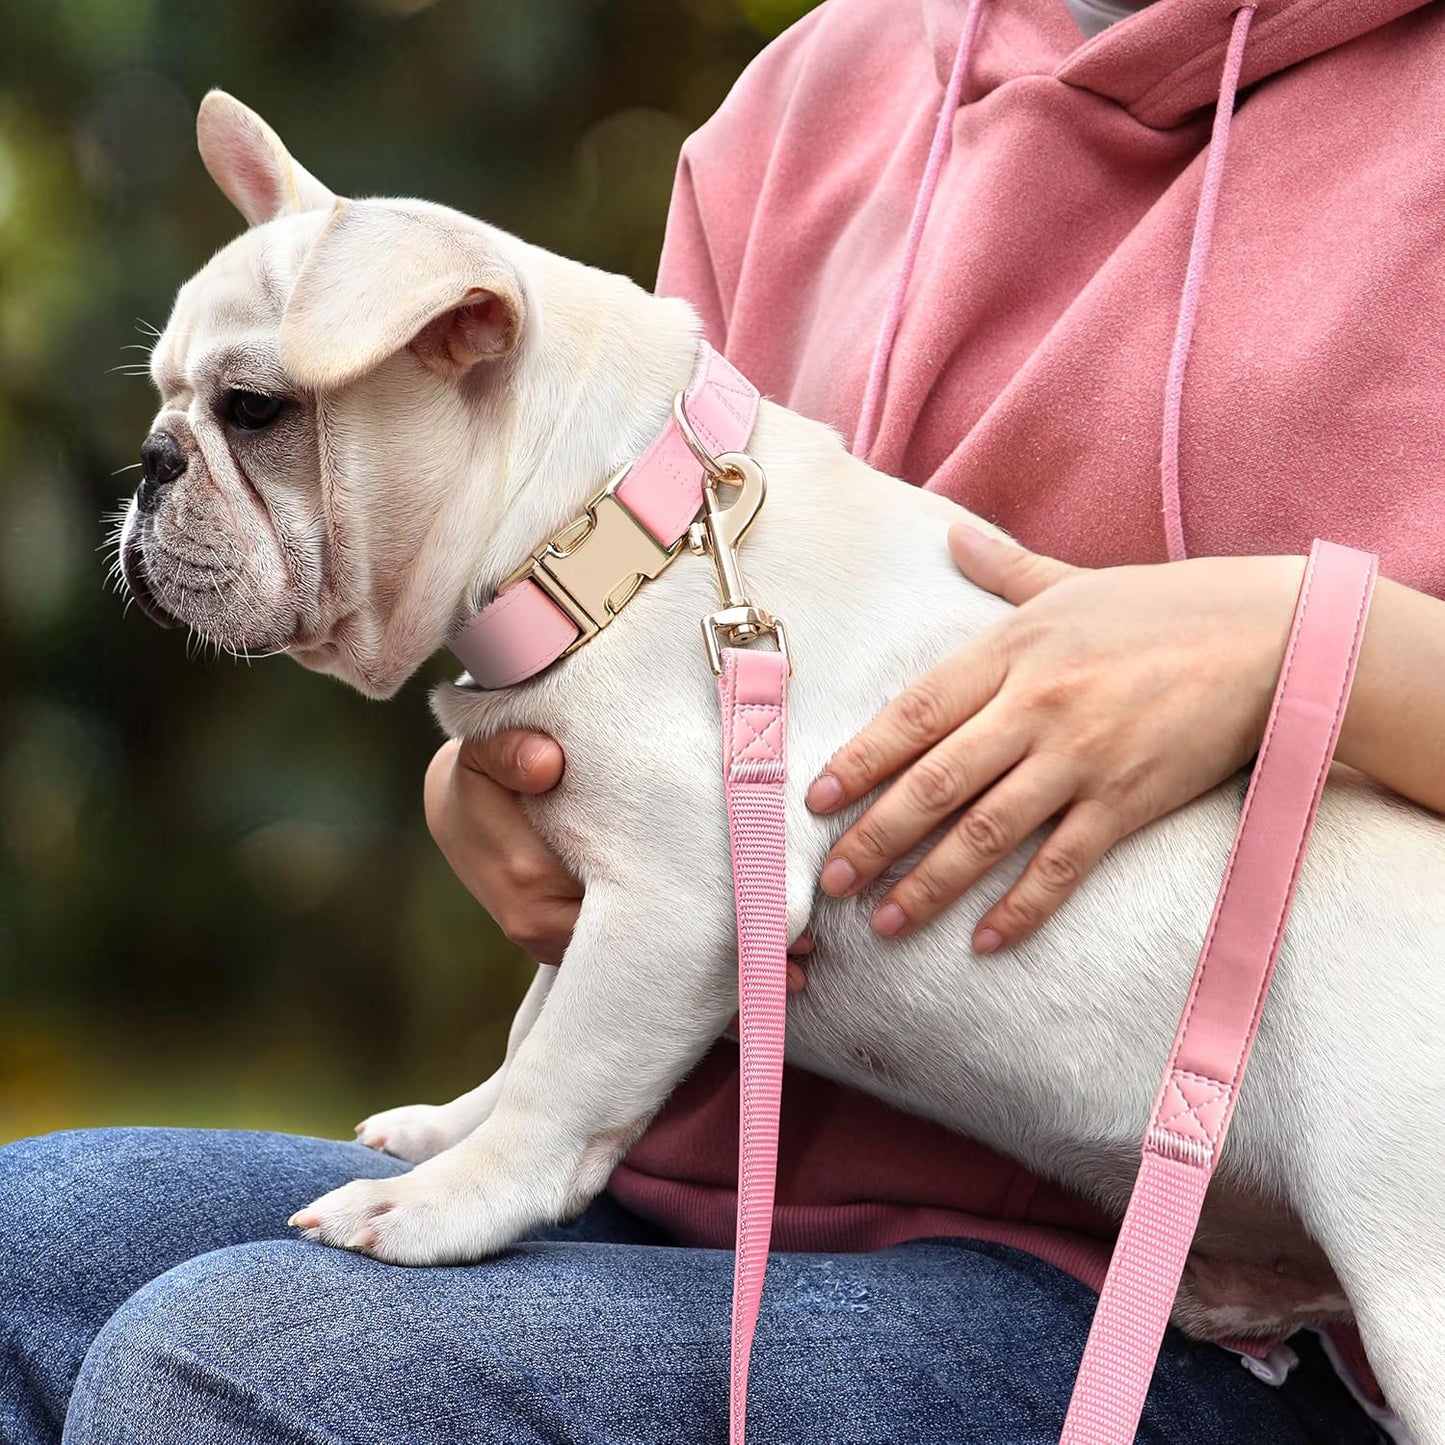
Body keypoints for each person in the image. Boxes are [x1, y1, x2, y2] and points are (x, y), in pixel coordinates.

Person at [4, 0, 1441, 1439]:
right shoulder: (816, 90)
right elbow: (620, 620)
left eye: (257, 411)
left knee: (243, 1363)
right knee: (28, 1248)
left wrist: (1312, 647)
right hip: (714, 1169)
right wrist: (503, 783)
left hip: (1235, 1255)